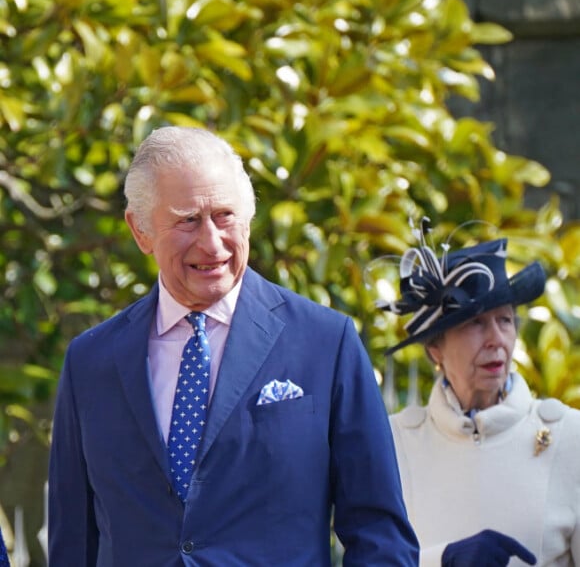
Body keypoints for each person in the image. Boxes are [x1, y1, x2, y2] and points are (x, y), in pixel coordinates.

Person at [48, 126, 419, 566]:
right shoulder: (91, 362)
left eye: (225, 215)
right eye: (187, 219)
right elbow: (73, 544)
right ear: (140, 230)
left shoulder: (325, 343)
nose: (211, 242)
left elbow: (380, 536)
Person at [371, 224, 580, 566]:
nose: (496, 339)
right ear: (435, 347)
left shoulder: (571, 435)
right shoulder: (394, 443)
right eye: (476, 323)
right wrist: (445, 559)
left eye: (505, 320)